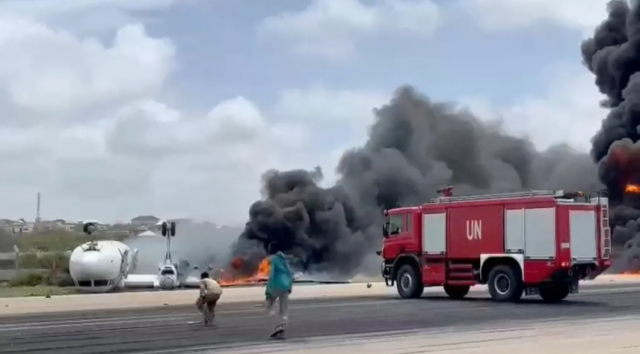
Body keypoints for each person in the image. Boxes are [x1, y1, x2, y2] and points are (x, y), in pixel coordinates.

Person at [265, 242, 293, 339]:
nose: (268, 249)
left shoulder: (273, 259)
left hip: (277, 284)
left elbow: (272, 275)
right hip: (285, 285)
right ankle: (282, 325)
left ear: (272, 249)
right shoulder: (283, 259)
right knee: (284, 308)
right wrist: (290, 286)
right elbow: (290, 273)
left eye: (269, 248)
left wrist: (268, 290)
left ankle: (277, 326)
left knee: (269, 305)